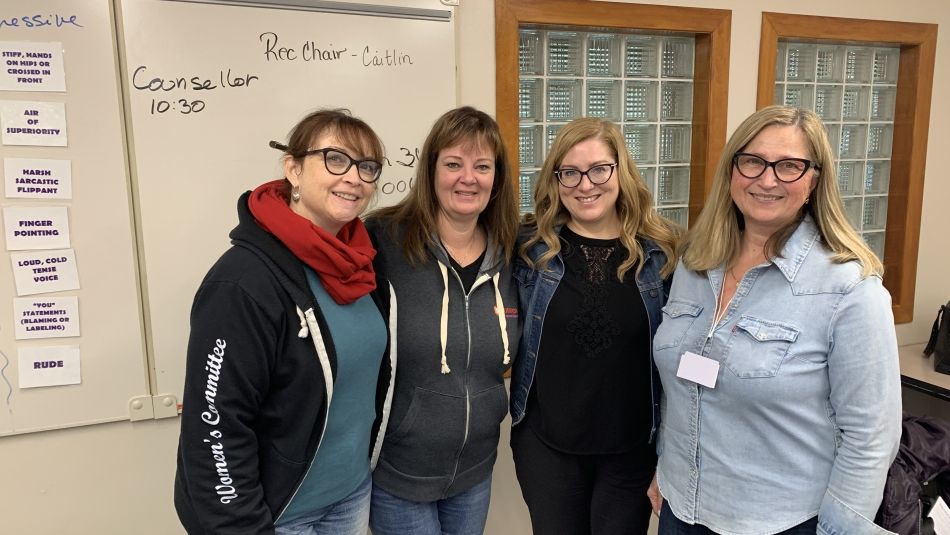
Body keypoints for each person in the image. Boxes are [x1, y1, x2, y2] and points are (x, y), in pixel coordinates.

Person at [648, 105, 902, 535]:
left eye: (788, 166)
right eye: (752, 162)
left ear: (814, 180)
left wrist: (839, 530)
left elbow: (870, 437)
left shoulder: (849, 289)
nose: (766, 180)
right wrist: (666, 467)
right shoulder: (694, 263)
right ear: (732, 171)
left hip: (782, 522)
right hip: (683, 507)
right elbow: (682, 387)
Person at [174, 109, 394, 534]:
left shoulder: (361, 265)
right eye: (335, 159)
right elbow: (216, 422)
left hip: (349, 496)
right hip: (280, 514)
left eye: (367, 167)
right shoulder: (243, 281)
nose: (354, 177)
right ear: (293, 168)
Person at [510, 117, 681, 535]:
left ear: (621, 171)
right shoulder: (530, 249)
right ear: (556, 179)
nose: (584, 185)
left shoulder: (663, 255)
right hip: (547, 450)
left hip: (632, 453)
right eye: (569, 172)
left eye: (599, 169)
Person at [364, 106, 521, 535]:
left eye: (482, 166)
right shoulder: (383, 239)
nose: (468, 178)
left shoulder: (513, 253)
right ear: (431, 170)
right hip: (399, 473)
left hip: (474, 472)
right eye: (453, 163)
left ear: (497, 178)